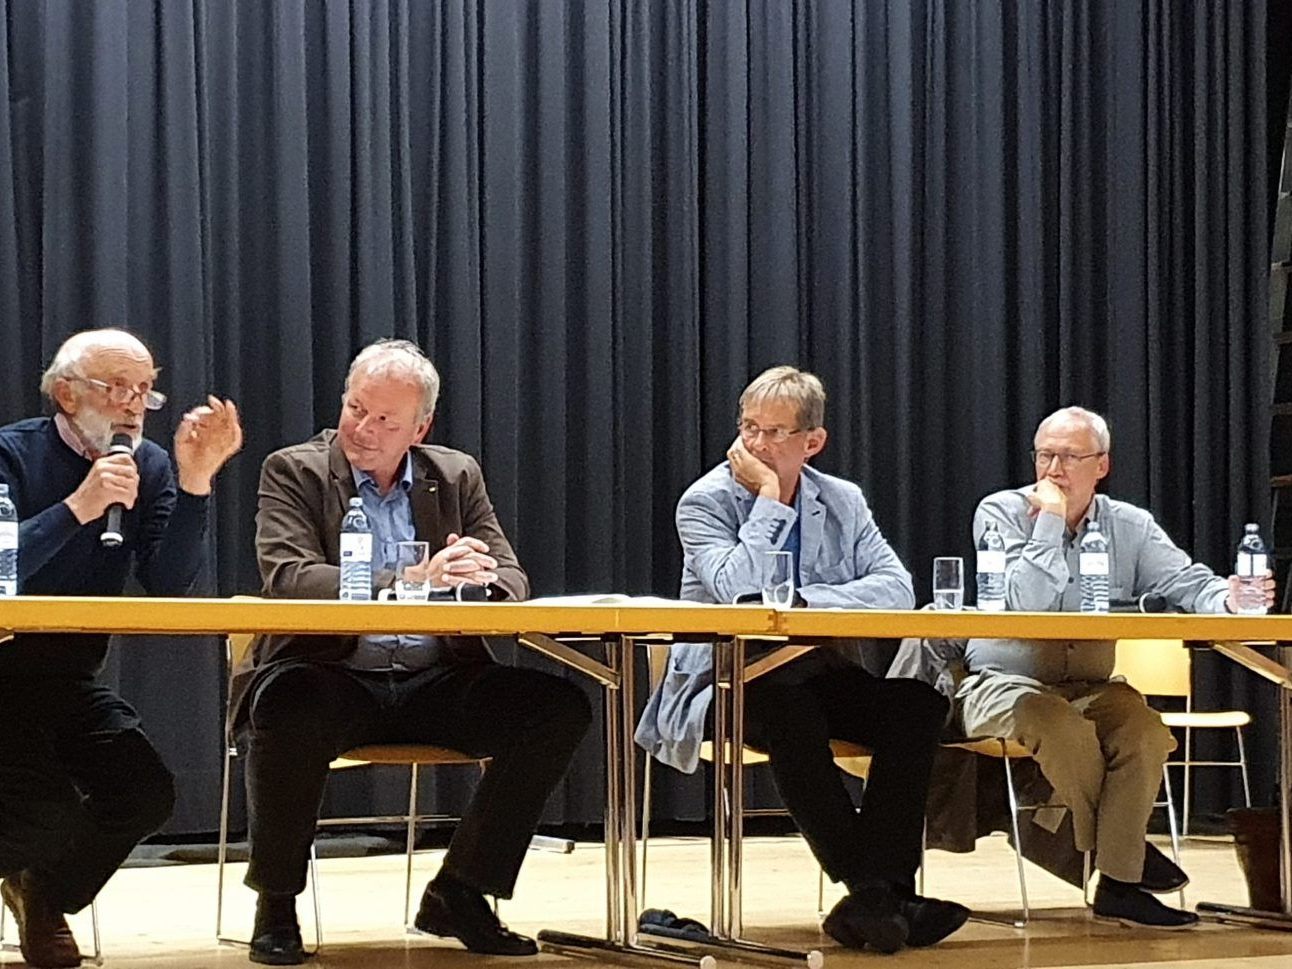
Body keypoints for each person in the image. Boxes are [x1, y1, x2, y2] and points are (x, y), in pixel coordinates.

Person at [230, 338, 592, 965]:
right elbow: (289, 576)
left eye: (385, 420)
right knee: (288, 702)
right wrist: (409, 579)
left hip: (435, 678)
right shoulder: (295, 470)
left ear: (419, 429)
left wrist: (477, 578)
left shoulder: (453, 475)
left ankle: (461, 891)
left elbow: (512, 578)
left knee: (556, 707)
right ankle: (277, 903)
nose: (363, 429)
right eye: (355, 408)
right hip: (330, 672)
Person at [635, 365, 969, 953]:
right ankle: (879, 895)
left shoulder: (842, 500)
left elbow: (896, 588)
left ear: (812, 442)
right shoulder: (706, 501)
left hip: (819, 670)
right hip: (726, 682)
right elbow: (738, 589)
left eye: (774, 432)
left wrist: (807, 601)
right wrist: (768, 498)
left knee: (915, 704)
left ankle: (879, 894)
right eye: (748, 427)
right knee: (791, 711)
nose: (756, 444)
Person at [957, 405, 1275, 929]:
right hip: (1002, 683)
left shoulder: (1129, 525)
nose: (1053, 469)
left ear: (1101, 466)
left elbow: (1186, 582)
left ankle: (1117, 882)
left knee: (1144, 732)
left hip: (1091, 683)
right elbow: (1025, 602)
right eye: (1044, 455)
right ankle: (1125, 864)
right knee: (1059, 725)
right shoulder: (1001, 512)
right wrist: (1050, 521)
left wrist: (1231, 598)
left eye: (1069, 457)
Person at [0, 328, 243, 968]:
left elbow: (168, 581)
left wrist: (195, 482)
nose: (133, 405)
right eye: (116, 388)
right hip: (1, 671)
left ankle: (42, 893)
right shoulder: (11, 455)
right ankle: (35, 881)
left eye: (144, 390)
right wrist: (79, 506)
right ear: (66, 393)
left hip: (66, 677)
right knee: (42, 814)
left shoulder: (150, 466)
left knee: (143, 791)